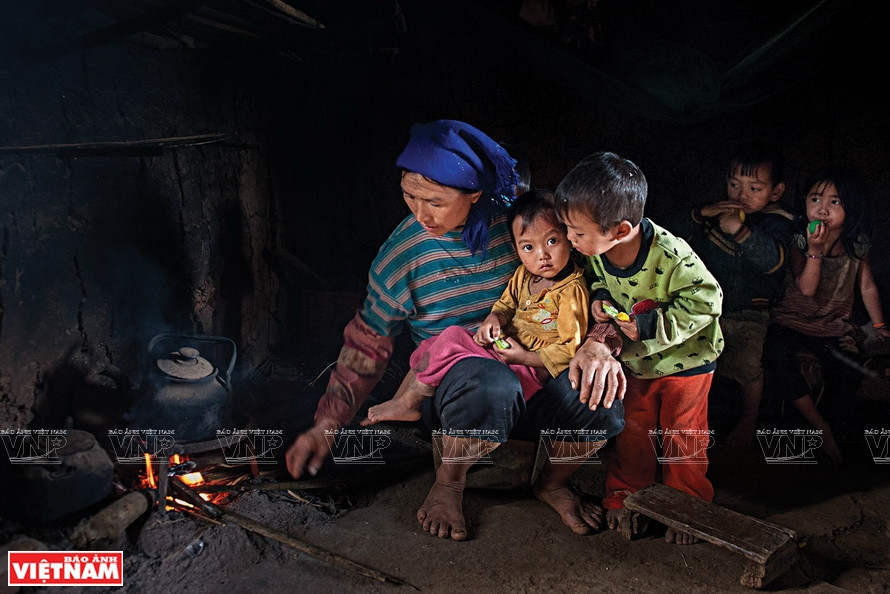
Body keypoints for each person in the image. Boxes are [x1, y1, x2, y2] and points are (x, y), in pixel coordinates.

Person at [284, 120, 626, 541]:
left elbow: (601, 282)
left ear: (476, 194)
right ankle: (449, 485)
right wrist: (328, 423)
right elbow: (366, 345)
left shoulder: (524, 227)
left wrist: (598, 343)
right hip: (461, 392)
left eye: (435, 201)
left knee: (600, 392)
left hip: (536, 371)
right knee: (491, 382)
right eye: (410, 196)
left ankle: (553, 484)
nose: (420, 214)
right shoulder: (402, 257)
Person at [554, 151, 724, 545]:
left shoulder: (673, 256)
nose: (570, 240)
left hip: (687, 363)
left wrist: (648, 326)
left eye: (577, 232)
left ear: (620, 229)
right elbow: (597, 276)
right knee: (633, 433)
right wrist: (599, 297)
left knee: (683, 435)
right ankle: (625, 496)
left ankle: (687, 508)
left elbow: (707, 301)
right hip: (637, 363)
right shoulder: (598, 250)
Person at [361, 188, 591, 425]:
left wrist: (524, 357)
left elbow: (569, 349)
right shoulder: (525, 275)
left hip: (529, 370)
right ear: (516, 250)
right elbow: (505, 305)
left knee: (452, 338)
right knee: (436, 342)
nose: (542, 255)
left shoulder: (571, 292)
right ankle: (404, 401)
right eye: (528, 247)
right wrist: (494, 320)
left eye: (552, 241)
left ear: (569, 238)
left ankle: (409, 403)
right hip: (505, 351)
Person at [763, 166, 889, 464]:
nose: (822, 209)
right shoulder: (797, 238)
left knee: (847, 371)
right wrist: (815, 250)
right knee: (776, 356)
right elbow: (806, 289)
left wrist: (879, 324)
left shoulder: (857, 244)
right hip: (791, 321)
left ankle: (836, 438)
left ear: (851, 207)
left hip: (831, 327)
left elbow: (867, 286)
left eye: (835, 202)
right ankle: (819, 427)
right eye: (815, 199)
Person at [674, 141, 795, 447]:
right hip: (703, 308)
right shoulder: (716, 212)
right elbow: (673, 236)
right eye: (734, 184)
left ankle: (748, 420)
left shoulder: (777, 223)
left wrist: (740, 232)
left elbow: (774, 262)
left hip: (747, 311)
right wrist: (703, 213)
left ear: (776, 192)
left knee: (746, 364)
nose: (741, 195)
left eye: (755, 188)